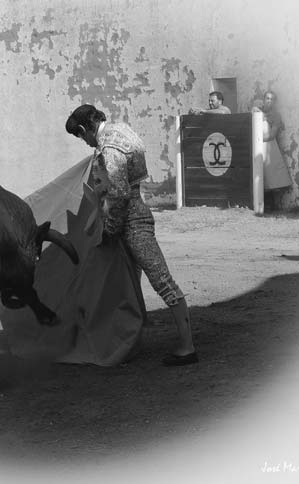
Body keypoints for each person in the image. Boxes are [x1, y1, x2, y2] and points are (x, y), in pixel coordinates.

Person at [65, 104, 198, 366]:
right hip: (135, 212)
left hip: (132, 221)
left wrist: (110, 230)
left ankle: (188, 346)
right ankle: (128, 340)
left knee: (161, 280)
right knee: (128, 282)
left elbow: (119, 195)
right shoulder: (121, 130)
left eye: (81, 136)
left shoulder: (109, 148)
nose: (85, 142)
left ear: (83, 129)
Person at [252, 90, 292, 210]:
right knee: (257, 174)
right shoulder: (258, 111)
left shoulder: (275, 115)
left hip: (268, 147)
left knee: (270, 177)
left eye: (271, 99)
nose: (269, 101)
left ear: (274, 102)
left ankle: (270, 206)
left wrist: (257, 140)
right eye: (267, 98)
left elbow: (272, 135)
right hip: (256, 146)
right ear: (263, 99)